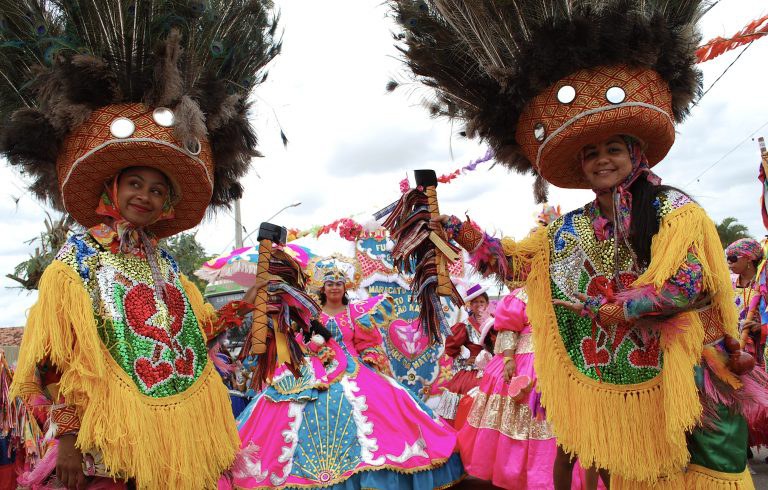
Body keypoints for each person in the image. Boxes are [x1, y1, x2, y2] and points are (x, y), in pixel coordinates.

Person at [390, 1, 767, 487]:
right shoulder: (570, 229)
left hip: (689, 374)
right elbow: (515, 263)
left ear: (635, 153)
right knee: (628, 474)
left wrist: (623, 307)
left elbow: (690, 286)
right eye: (591, 154)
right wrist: (453, 229)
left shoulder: (675, 210)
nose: (601, 161)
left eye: (612, 149)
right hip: (617, 388)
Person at [0, 1, 281, 487]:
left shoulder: (166, 263)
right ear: (112, 187)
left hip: (175, 440)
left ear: (168, 203)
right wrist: (66, 440)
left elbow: (191, 335)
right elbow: (55, 358)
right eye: (135, 183)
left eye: (157, 190)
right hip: (107, 444)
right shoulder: (79, 260)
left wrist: (245, 305)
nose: (144, 197)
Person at [233, 266, 464, 489]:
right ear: (322, 288)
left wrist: (373, 362)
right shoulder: (309, 313)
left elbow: (368, 344)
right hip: (313, 369)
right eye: (330, 283)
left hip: (354, 367)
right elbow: (297, 339)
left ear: (345, 287)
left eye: (339, 283)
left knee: (382, 410)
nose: (334, 287)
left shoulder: (357, 312)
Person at [435, 283, 495, 426]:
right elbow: (450, 348)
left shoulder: (495, 323)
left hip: (494, 370)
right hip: (473, 373)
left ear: (487, 303)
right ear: (470, 305)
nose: (479, 305)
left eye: (482, 301)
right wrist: (465, 360)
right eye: (475, 302)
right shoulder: (465, 326)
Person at [727, 238, 767, 367]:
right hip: (730, 347)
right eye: (727, 258)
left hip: (758, 349)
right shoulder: (727, 282)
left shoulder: (764, 285)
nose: (728, 262)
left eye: (733, 258)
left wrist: (762, 328)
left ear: (748, 258)